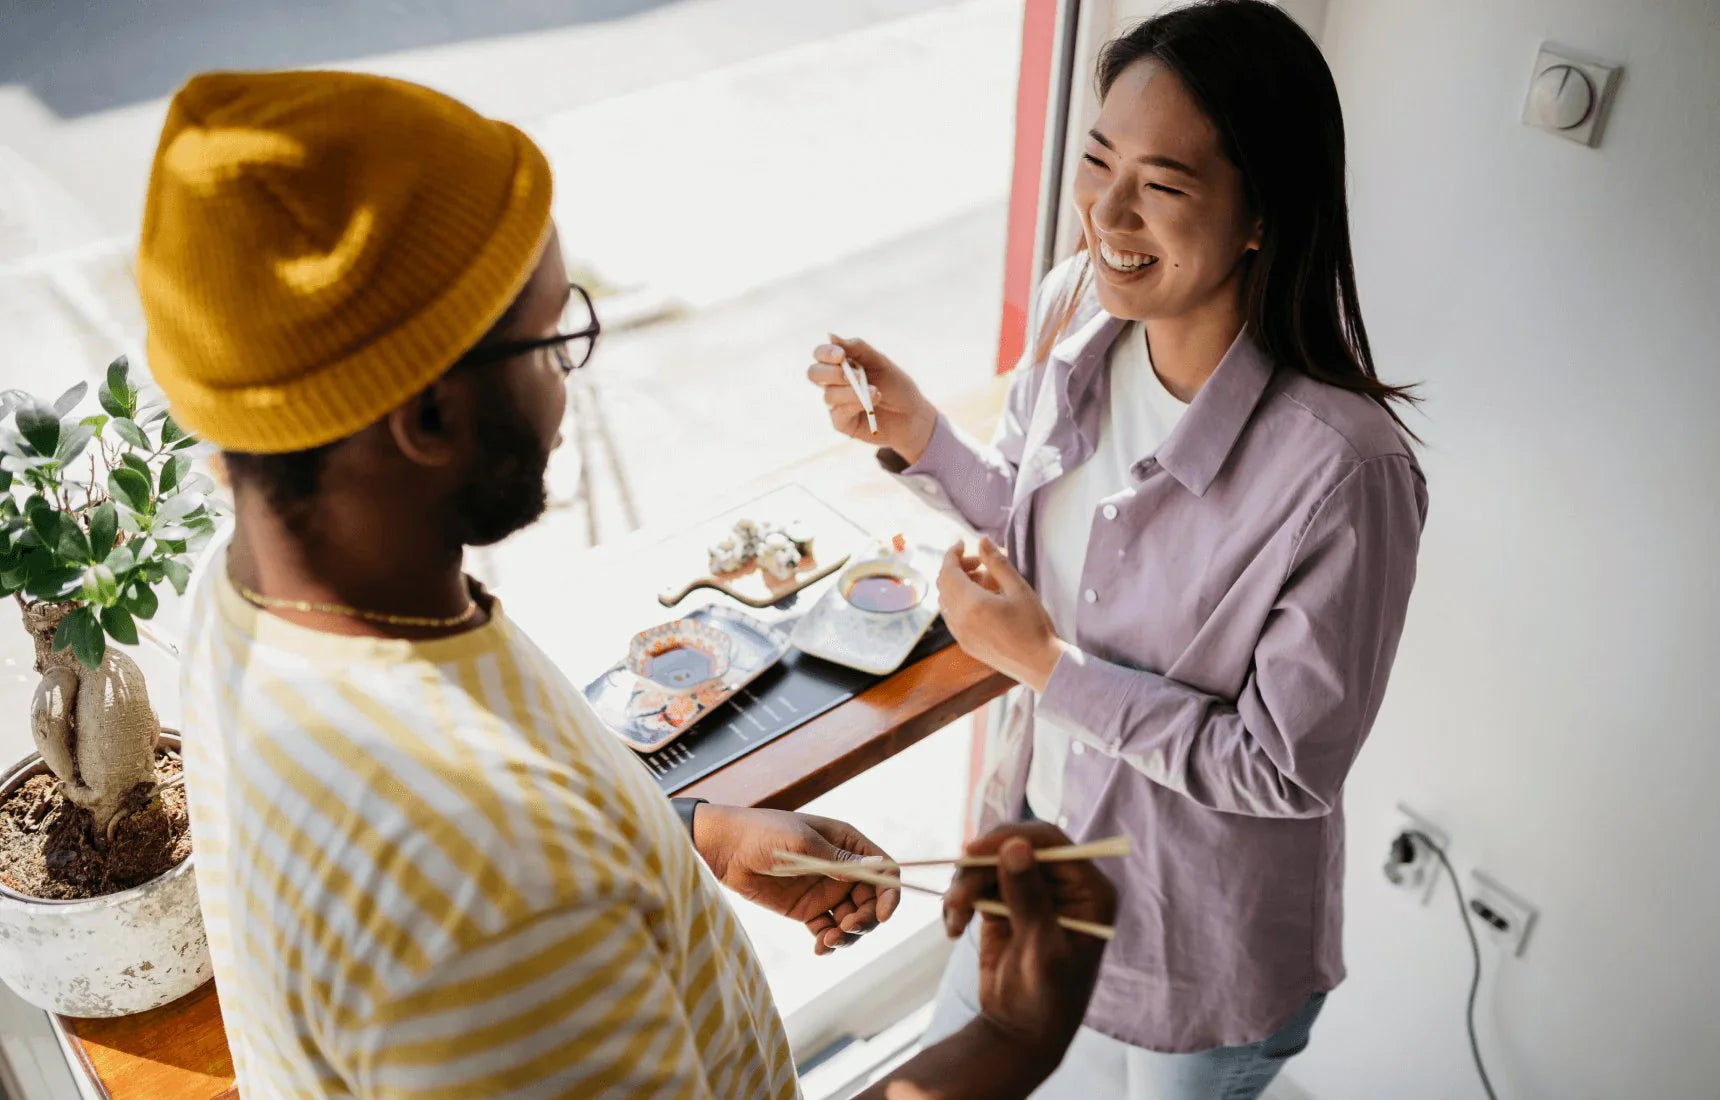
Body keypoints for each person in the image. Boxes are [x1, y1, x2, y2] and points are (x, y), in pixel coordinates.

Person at [139, 70, 1115, 1098]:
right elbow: (508, 878)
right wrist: (1008, 1037)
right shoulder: (501, 897)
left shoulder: (249, 591)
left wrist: (683, 834)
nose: (566, 386)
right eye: (554, 341)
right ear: (426, 419)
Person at [808, 2, 1429, 1097]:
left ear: (1258, 215)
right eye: (1098, 158)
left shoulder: (1346, 472)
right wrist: (921, 438)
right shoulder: (1074, 313)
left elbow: (1280, 768)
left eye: (1163, 182)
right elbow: (1046, 543)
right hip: (1033, 868)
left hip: (1198, 950)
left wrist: (1048, 666)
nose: (1105, 209)